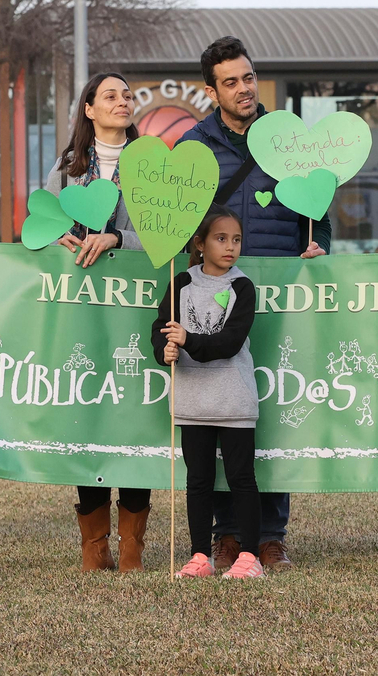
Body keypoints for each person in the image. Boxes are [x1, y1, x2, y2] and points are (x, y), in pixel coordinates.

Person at [179, 36, 329, 573]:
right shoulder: (194, 147)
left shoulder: (288, 141)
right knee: (219, 410)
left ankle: (271, 536)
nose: (244, 89)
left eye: (248, 77)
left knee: (274, 413)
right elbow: (180, 221)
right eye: (231, 82)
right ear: (210, 90)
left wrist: (318, 246)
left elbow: (320, 215)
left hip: (281, 299)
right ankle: (225, 535)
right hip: (216, 298)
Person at [43, 72, 150, 571]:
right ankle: (94, 545)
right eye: (110, 95)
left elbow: (170, 234)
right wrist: (55, 238)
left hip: (136, 310)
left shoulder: (153, 166)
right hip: (82, 314)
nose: (122, 101)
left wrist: (118, 240)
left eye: (127, 95)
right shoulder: (65, 170)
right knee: (87, 412)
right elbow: (42, 229)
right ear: (88, 109)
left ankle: (132, 545)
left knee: (134, 418)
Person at [152, 205, 264, 580]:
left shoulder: (243, 287)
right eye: (220, 239)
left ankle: (250, 557)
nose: (230, 247)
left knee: (241, 478)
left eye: (236, 239)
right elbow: (161, 327)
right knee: (197, 481)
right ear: (199, 244)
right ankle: (200, 556)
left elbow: (230, 342)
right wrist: (163, 349)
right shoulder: (180, 282)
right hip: (191, 401)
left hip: (234, 400)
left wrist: (189, 340)